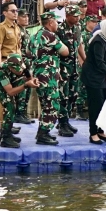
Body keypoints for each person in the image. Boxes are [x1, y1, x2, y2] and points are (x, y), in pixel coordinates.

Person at [31, 12, 70, 145]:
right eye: (56, 22)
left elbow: (28, 53)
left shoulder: (34, 36)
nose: (57, 25)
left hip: (38, 74)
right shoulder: (50, 35)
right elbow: (65, 51)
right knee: (52, 104)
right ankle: (43, 133)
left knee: (45, 103)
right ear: (50, 23)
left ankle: (42, 132)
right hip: (48, 76)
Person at [80, 18, 106, 144]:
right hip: (93, 77)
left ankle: (101, 130)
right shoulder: (98, 41)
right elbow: (99, 61)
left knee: (103, 105)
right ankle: (93, 133)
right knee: (95, 106)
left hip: (100, 76)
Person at [0, 54, 40, 148]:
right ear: (10, 68)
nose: (20, 71)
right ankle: (5, 139)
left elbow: (28, 76)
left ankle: (6, 133)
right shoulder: (1, 71)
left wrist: (33, 81)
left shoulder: (21, 63)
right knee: (10, 106)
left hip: (13, 80)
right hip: (0, 85)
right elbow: (10, 92)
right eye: (17, 70)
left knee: (17, 103)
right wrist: (26, 85)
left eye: (21, 69)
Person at [55, 5, 83, 137]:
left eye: (78, 15)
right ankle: (62, 123)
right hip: (63, 67)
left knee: (73, 95)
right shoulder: (59, 29)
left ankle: (66, 120)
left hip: (75, 67)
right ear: (67, 16)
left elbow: (79, 46)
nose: (78, 18)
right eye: (75, 16)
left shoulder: (78, 28)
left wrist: (85, 60)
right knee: (63, 96)